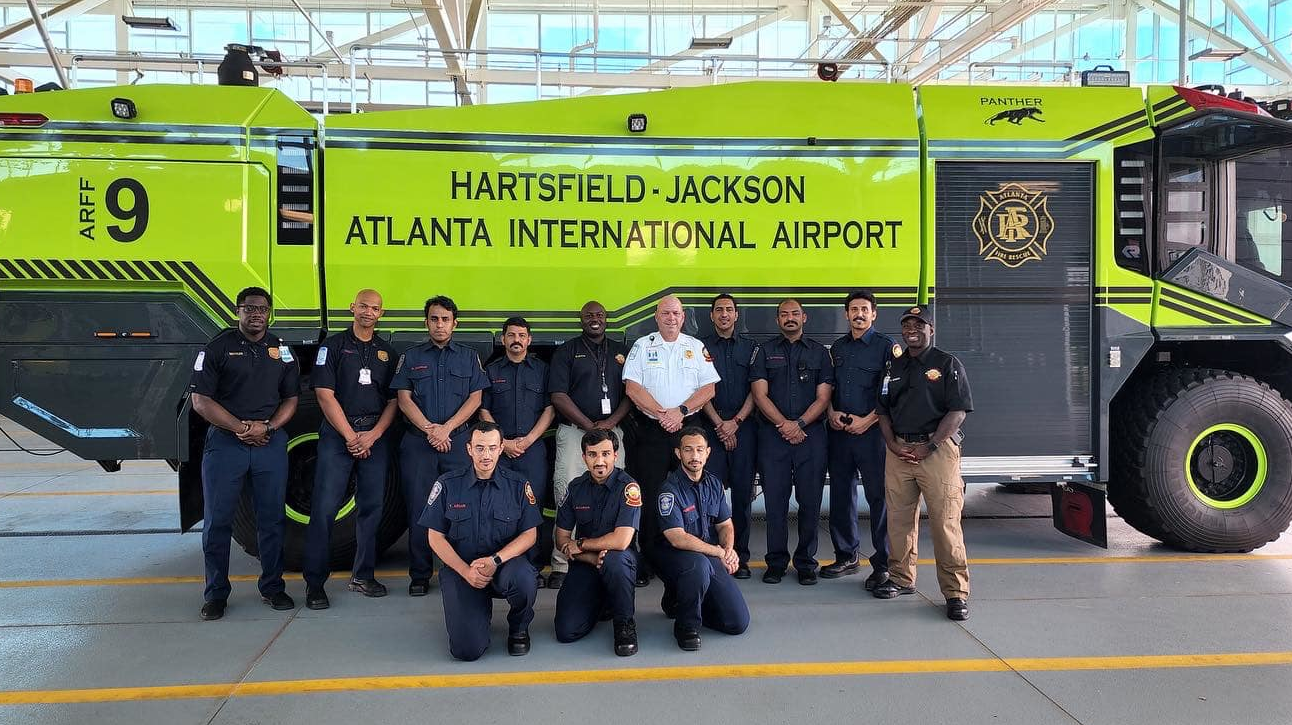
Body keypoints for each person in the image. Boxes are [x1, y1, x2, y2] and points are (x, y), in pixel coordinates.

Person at [189, 286, 299, 621]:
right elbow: (201, 401)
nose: (256, 314)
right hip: (226, 444)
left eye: (262, 309)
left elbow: (291, 399)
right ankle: (215, 595)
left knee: (272, 520)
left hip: (268, 444)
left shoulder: (282, 351)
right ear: (238, 311)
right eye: (249, 308)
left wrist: (268, 428)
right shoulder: (217, 348)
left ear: (269, 314)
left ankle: (273, 587)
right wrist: (241, 428)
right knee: (218, 522)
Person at [874, 304, 974, 621]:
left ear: (931, 329)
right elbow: (882, 411)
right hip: (899, 451)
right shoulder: (893, 366)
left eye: (919, 325)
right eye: (907, 325)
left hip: (937, 451)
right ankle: (901, 579)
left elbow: (958, 411)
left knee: (945, 523)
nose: (912, 330)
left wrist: (930, 445)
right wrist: (892, 444)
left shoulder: (947, 363)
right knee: (899, 521)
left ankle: (955, 593)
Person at [303, 289, 399, 608]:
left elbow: (394, 400)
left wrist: (372, 436)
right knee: (324, 509)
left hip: (374, 436)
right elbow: (324, 394)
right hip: (338, 436)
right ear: (352, 308)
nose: (368, 312)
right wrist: (350, 436)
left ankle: (363, 576)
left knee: (372, 509)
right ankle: (315, 583)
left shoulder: (387, 353)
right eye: (363, 306)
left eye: (375, 308)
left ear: (381, 314)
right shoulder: (331, 347)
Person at [392, 295, 488, 597]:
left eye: (445, 319)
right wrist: (431, 430)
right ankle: (420, 574)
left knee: (462, 508)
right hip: (419, 443)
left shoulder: (469, 357)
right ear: (426, 322)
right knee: (420, 509)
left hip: (458, 442)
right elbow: (403, 399)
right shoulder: (411, 356)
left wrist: (446, 429)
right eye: (434, 319)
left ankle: (459, 570)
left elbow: (476, 398)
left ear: (454, 324)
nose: (439, 324)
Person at [421, 421, 542, 661]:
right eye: (479, 448)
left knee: (525, 578)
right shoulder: (447, 484)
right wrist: (466, 571)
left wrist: (495, 560)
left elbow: (530, 534)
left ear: (501, 448)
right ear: (469, 449)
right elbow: (435, 537)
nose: (486, 455)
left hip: (504, 565)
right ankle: (476, 615)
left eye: (492, 448)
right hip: (463, 569)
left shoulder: (518, 485)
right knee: (467, 651)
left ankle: (519, 628)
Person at [623, 295, 719, 584]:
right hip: (652, 431)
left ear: (683, 317)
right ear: (656, 316)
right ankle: (648, 560)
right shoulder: (642, 346)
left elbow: (709, 389)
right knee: (649, 493)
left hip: (687, 428)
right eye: (665, 313)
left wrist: (681, 412)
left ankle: (693, 556)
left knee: (691, 492)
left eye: (676, 313)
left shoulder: (696, 347)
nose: (671, 318)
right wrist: (661, 414)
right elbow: (632, 388)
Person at [545, 300, 631, 589]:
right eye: (589, 315)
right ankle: (562, 563)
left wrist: (609, 424)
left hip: (611, 433)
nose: (595, 319)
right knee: (567, 492)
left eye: (599, 315)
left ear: (606, 319)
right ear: (580, 319)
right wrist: (588, 425)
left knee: (616, 493)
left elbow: (631, 393)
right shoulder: (567, 351)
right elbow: (558, 395)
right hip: (575, 432)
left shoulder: (620, 351)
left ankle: (611, 558)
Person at [750, 299, 834, 585]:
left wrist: (799, 424)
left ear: (804, 317)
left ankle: (806, 563)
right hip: (773, 438)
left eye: (795, 313)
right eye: (784, 314)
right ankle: (776, 563)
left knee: (810, 502)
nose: (790, 318)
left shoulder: (820, 353)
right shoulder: (765, 351)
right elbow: (759, 394)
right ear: (777, 320)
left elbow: (824, 397)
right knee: (775, 504)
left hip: (811, 437)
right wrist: (784, 425)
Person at [823, 291, 896, 590]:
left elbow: (892, 391)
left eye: (865, 309)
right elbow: (828, 386)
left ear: (874, 314)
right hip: (840, 434)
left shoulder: (886, 347)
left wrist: (868, 420)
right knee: (841, 495)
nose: (859, 314)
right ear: (846, 314)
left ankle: (884, 564)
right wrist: (830, 412)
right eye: (854, 309)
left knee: (879, 498)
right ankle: (846, 556)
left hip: (872, 434)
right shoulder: (838, 347)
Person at [654, 427, 750, 651]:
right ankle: (686, 626)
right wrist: (719, 552)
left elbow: (725, 524)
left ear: (708, 452)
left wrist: (728, 550)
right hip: (675, 555)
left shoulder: (714, 484)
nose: (694, 456)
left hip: (708, 554)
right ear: (678, 453)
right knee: (697, 566)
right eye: (688, 450)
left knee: (737, 622)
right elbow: (677, 538)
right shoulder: (669, 490)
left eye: (699, 450)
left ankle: (680, 599)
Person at [479, 316, 554, 586]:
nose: (516, 340)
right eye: (511, 335)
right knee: (497, 506)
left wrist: (529, 440)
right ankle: (499, 565)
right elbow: (483, 409)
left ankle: (533, 567)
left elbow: (549, 409)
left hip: (532, 450)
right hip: (499, 451)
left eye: (521, 335)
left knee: (532, 507)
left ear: (529, 340)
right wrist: (503, 443)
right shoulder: (491, 370)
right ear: (503, 339)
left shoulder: (542, 370)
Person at [553, 429, 641, 657]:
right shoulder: (575, 488)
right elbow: (561, 539)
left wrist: (581, 544)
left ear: (615, 455)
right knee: (566, 631)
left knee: (614, 561)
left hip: (620, 560)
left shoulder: (628, 487)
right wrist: (591, 558)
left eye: (605, 454)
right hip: (586, 562)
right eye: (592, 454)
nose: (599, 461)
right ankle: (603, 599)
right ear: (584, 457)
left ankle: (624, 623)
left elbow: (621, 540)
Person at [699, 293, 758, 579]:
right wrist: (721, 425)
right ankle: (713, 554)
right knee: (710, 497)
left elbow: (756, 390)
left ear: (736, 315)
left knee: (743, 498)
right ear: (712, 316)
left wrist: (735, 422)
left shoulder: (751, 348)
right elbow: (698, 389)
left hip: (743, 428)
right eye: (719, 310)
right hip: (711, 430)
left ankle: (740, 556)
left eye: (729, 310)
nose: (724, 314)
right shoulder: (699, 348)